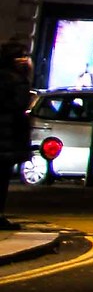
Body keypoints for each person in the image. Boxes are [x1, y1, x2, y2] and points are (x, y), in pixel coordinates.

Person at [0, 40, 34, 231]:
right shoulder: (16, 80)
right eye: (23, 57)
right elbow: (19, 105)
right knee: (3, 177)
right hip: (7, 136)